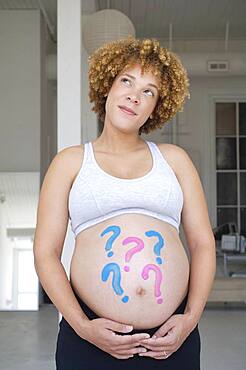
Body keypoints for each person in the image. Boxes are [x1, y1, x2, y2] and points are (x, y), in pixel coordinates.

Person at [33, 36, 216, 370]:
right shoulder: (70, 161)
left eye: (149, 91)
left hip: (170, 338)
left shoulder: (174, 159)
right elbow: (45, 253)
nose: (135, 95)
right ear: (108, 85)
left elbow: (203, 243)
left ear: (156, 107)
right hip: (89, 335)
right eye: (127, 81)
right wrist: (82, 326)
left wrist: (190, 318)